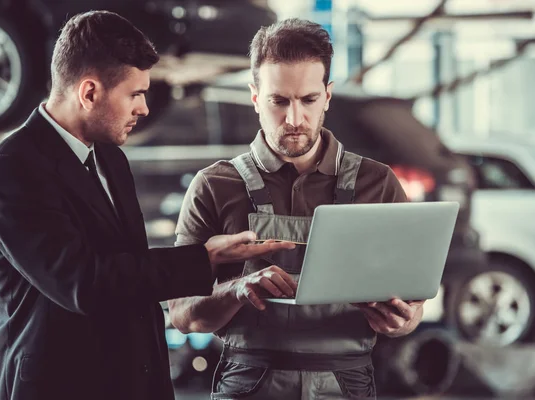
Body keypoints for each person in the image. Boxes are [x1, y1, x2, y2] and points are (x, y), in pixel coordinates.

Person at [0, 11, 294, 400]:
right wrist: (201, 259)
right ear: (89, 92)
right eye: (135, 94)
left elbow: (132, 275)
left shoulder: (110, 157)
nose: (144, 108)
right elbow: (83, 284)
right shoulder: (11, 170)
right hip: (59, 387)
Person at [169, 18, 426, 399]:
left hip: (347, 383)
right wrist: (236, 290)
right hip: (247, 382)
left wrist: (402, 322)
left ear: (327, 96)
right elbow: (182, 315)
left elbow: (412, 307)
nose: (294, 119)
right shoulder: (214, 185)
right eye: (278, 101)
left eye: (308, 100)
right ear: (255, 97)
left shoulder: (378, 183)